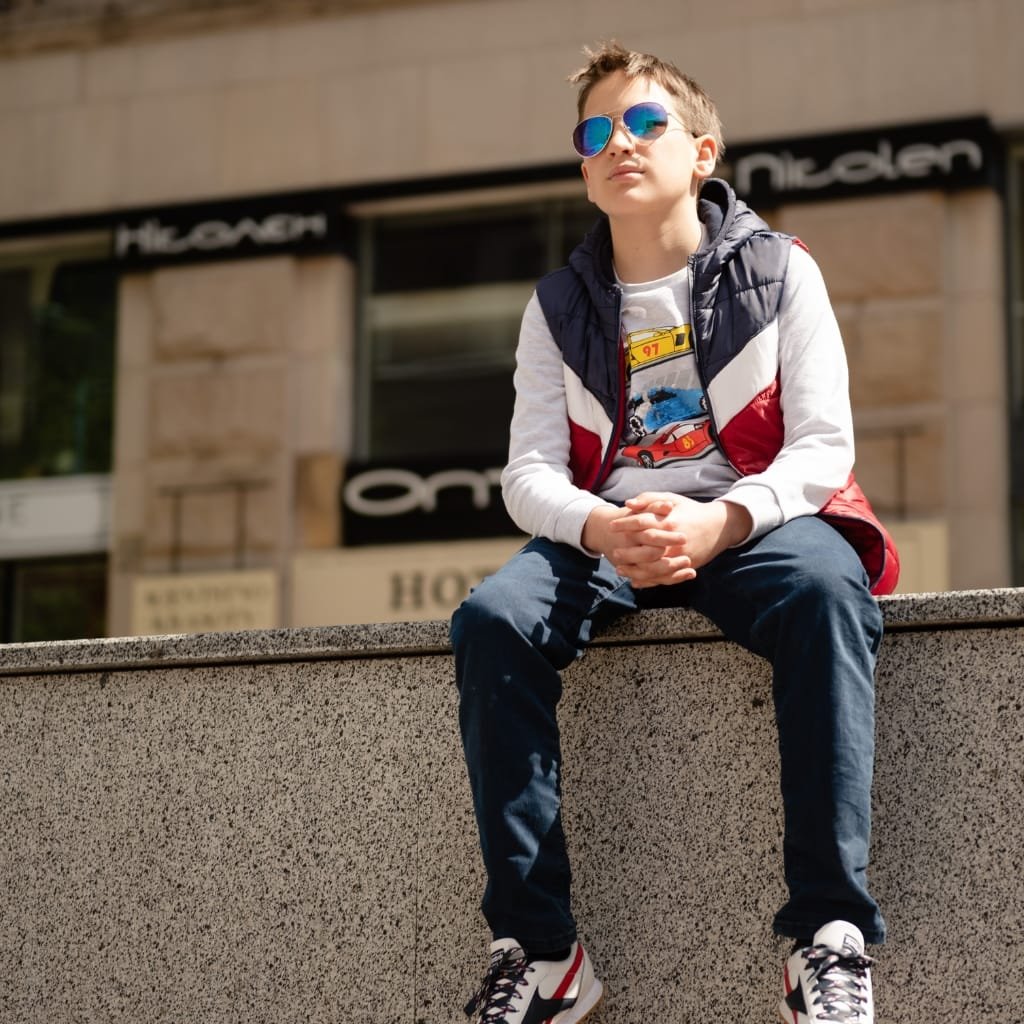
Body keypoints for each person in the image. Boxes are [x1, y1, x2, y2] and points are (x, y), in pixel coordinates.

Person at [452, 40, 899, 1024]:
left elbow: (822, 448)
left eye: (645, 122)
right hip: (606, 533)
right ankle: (540, 954)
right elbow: (528, 475)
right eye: (595, 130)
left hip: (750, 520)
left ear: (702, 152)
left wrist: (718, 518)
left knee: (827, 592)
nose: (619, 142)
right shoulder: (557, 308)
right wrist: (607, 524)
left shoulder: (781, 271)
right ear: (582, 169)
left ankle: (828, 936)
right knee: (490, 620)